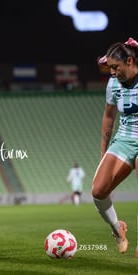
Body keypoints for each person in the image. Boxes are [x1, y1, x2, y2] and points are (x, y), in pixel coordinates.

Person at [93, 37, 138, 254]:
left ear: (130, 62)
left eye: (115, 67)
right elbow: (109, 117)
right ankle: (117, 227)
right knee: (98, 190)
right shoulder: (113, 84)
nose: (112, 72)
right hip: (124, 139)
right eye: (110, 67)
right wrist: (104, 150)